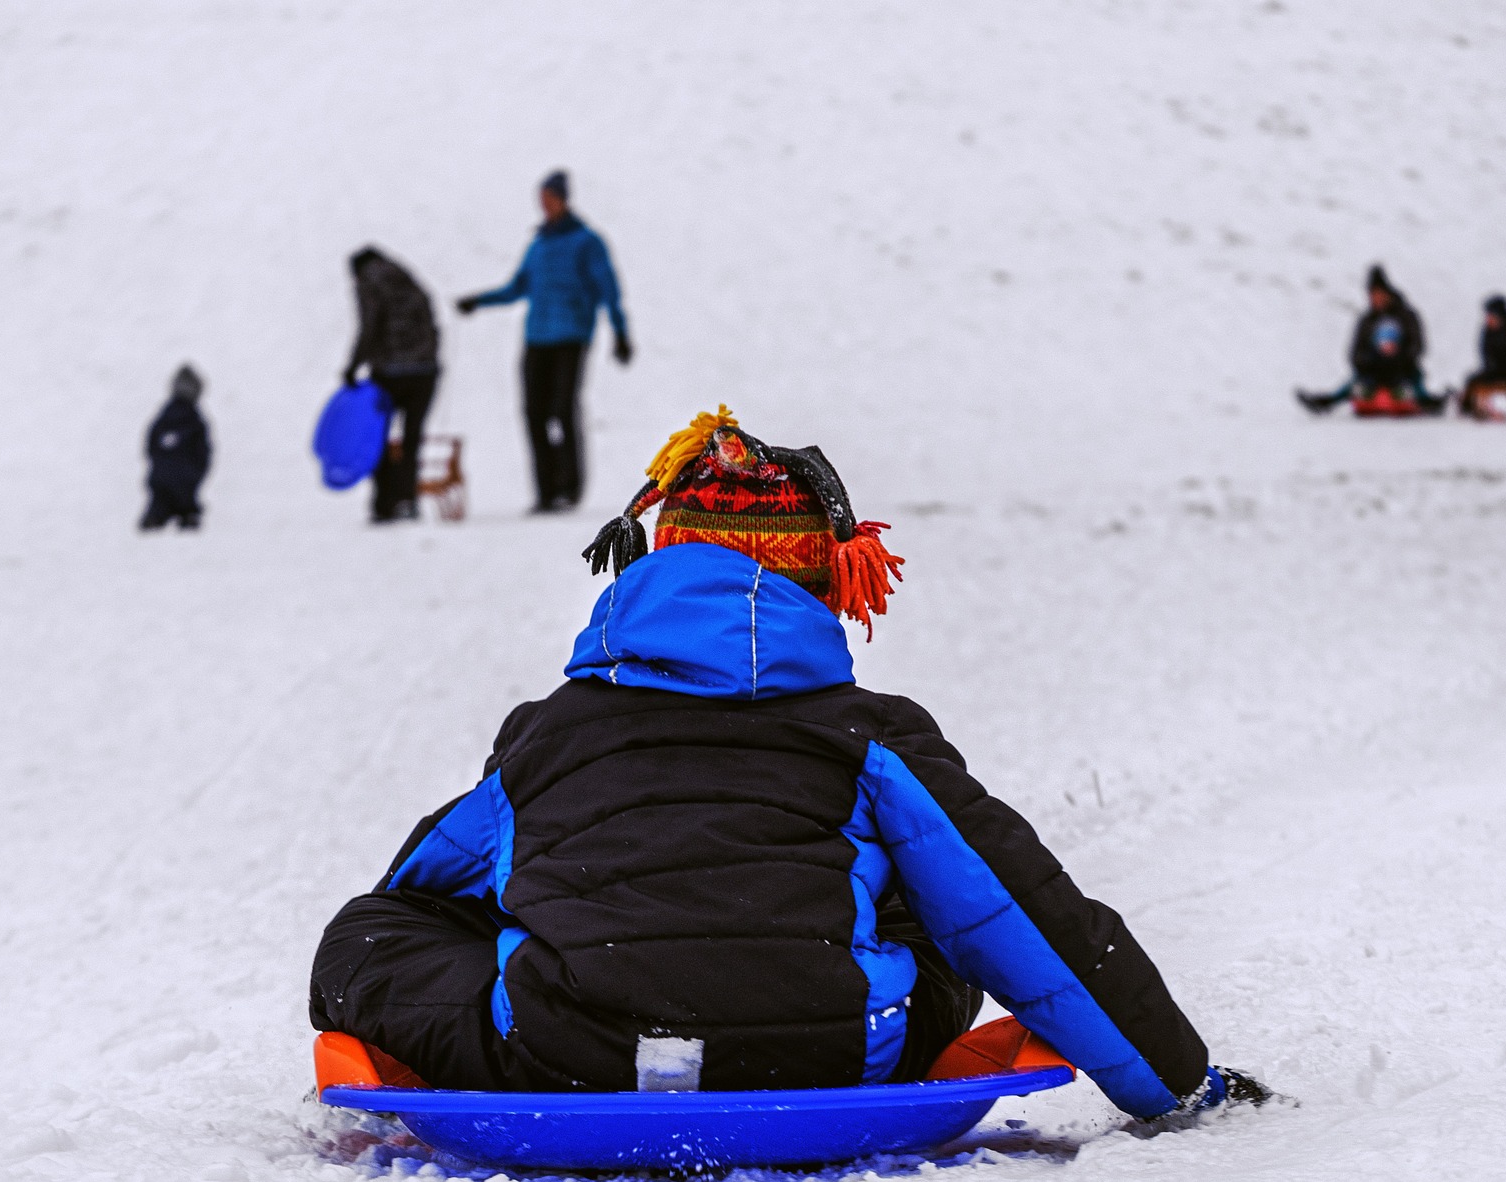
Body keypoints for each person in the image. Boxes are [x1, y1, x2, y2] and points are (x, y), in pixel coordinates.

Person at [309, 405, 1269, 1118]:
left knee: (373, 928)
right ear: (823, 585)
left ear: (650, 564)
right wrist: (1181, 1086)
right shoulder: (871, 735)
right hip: (838, 1050)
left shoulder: (549, 734)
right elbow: (1027, 915)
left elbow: (420, 890)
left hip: (576, 1054)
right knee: (938, 904)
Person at [456, 171, 632, 513]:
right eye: (542, 198)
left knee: (564, 408)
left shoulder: (587, 242)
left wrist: (620, 332)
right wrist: (478, 301)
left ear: (564, 199)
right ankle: (546, 490)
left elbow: (609, 289)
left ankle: (570, 488)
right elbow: (516, 288)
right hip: (537, 337)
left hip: (571, 335)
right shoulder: (538, 246)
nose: (545, 204)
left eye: (550, 198)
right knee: (534, 412)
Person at [344, 246, 440, 523]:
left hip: (390, 372)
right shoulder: (408, 278)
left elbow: (369, 325)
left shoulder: (368, 281)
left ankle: (385, 503)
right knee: (412, 438)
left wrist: (353, 365)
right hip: (425, 370)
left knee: (378, 438)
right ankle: (407, 500)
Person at [1296, 266, 1443, 414]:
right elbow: (1355, 350)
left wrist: (1402, 358)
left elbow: (1418, 344)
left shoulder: (1406, 316)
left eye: (1379, 294)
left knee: (1414, 382)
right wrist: (1366, 361)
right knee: (1354, 383)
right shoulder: (1367, 320)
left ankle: (1429, 403)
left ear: (1387, 293)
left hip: (1402, 368)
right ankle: (1326, 402)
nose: (1375, 299)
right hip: (1374, 369)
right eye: (1372, 295)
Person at [139, 365, 211, 531]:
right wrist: (197, 470)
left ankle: (156, 518)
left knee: (160, 504)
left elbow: (151, 444)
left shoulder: (165, 416)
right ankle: (185, 518)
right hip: (185, 478)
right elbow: (203, 451)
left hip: (162, 477)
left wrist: (158, 464)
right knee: (185, 506)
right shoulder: (194, 419)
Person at [1459, 296, 1506, 420]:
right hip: (1494, 371)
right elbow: (1485, 355)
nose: (1488, 319)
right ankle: (1470, 407)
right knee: (1472, 380)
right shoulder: (1487, 332)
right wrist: (1490, 368)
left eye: (1492, 316)